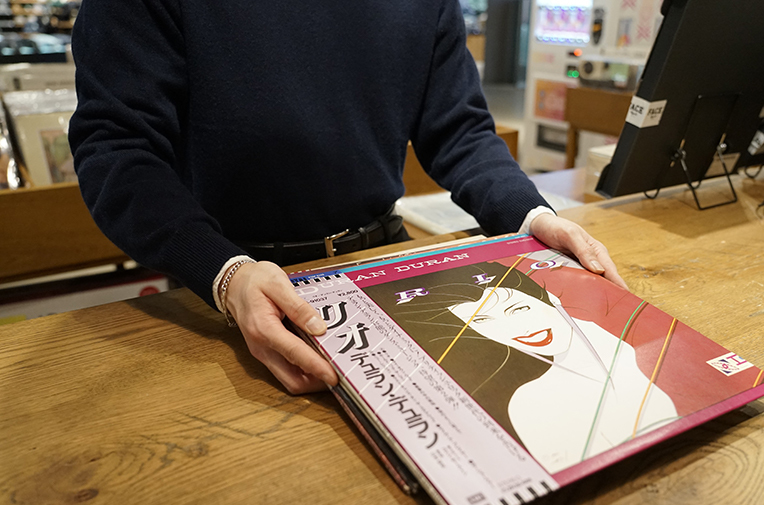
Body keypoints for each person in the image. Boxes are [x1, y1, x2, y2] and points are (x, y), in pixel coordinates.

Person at [68, 0, 627, 395]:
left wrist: (528, 214)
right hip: (232, 278)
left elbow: (460, 129)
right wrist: (221, 272)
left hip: (382, 260)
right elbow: (117, 148)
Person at [363, 259, 677, 473]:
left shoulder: (620, 344)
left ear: (549, 297)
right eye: (481, 321)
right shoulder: (529, 402)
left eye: (519, 308)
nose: (519, 328)